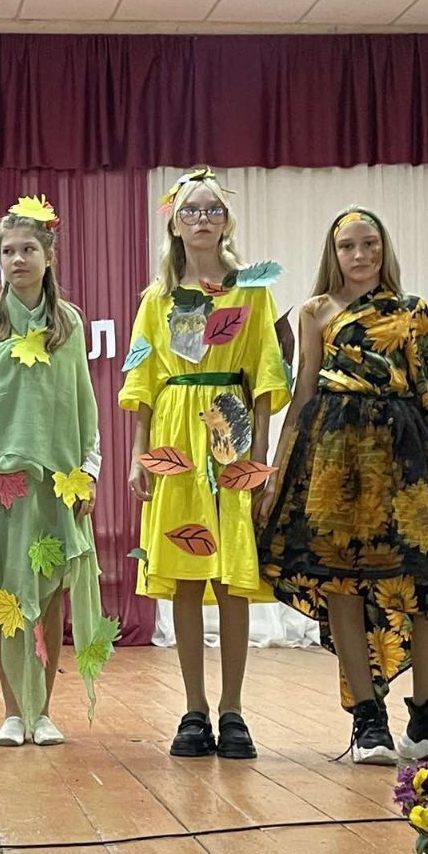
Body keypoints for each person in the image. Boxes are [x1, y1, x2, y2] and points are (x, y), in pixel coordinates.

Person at [257, 206, 428, 765]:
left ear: (383, 248)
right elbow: (303, 394)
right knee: (342, 582)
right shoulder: (316, 311)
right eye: (348, 245)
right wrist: (277, 470)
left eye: (369, 244)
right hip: (334, 462)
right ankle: (368, 720)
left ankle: (427, 720)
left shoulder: (412, 310)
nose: (360, 254)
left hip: (407, 458)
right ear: (334, 253)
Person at [120, 167, 290, 760]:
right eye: (190, 211)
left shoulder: (251, 291)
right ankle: (193, 710)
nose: (201, 220)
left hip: (230, 428)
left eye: (211, 210)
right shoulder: (157, 298)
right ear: (174, 223)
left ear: (226, 221)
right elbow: (142, 377)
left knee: (231, 574)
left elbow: (266, 369)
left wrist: (260, 451)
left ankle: (233, 710)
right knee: (187, 576)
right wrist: (138, 453)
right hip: (174, 432)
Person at [0, 195, 118, 747]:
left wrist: (89, 469)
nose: (17, 259)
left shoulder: (68, 325)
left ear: (49, 256)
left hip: (54, 485)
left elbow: (85, 403)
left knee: (47, 598)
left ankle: (41, 711)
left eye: (28, 249)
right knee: (7, 598)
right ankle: (11, 712)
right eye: (7, 251)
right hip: (1, 486)